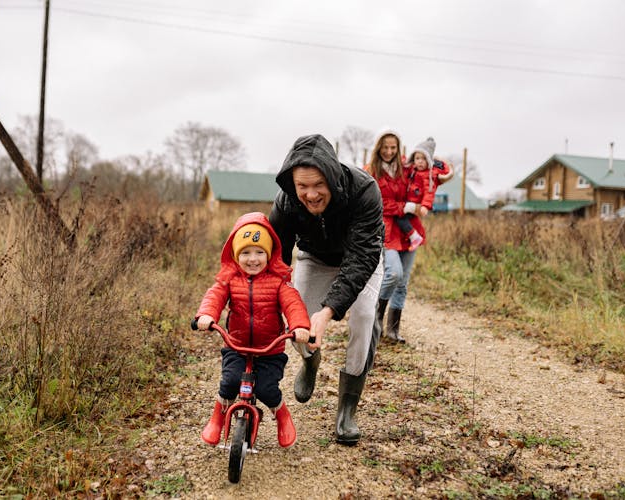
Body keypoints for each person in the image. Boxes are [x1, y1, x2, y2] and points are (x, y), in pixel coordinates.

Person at [269, 133, 384, 446]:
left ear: (332, 177)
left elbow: (362, 259)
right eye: (302, 186)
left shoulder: (364, 191)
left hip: (361, 260)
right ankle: (309, 361)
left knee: (362, 316)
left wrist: (329, 310)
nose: (311, 194)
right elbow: (277, 256)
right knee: (297, 318)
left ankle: (347, 408)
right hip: (314, 258)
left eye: (318, 184)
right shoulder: (287, 200)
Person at [194, 211, 311, 448]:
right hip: (236, 346)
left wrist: (299, 326)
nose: (253, 259)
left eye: (259, 252)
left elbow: (293, 303)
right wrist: (206, 315)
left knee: (268, 389)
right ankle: (218, 417)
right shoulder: (229, 279)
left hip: (269, 350)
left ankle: (282, 415)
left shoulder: (278, 281)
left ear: (269, 255)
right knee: (229, 382)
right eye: (245, 253)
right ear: (236, 256)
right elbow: (215, 296)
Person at [366, 132, 452, 343]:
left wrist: (441, 163)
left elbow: (435, 173)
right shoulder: (371, 171)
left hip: (409, 229)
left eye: (393, 148)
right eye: (385, 147)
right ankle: (373, 318)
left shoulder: (407, 168)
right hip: (387, 228)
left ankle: (393, 329)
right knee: (393, 273)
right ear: (378, 148)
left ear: (399, 148)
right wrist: (407, 206)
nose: (389, 152)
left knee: (403, 282)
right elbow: (377, 202)